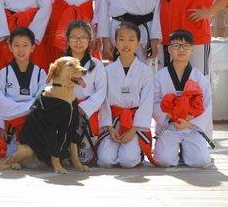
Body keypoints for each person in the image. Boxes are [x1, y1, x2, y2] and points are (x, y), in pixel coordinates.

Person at [97, 22, 154, 168]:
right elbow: (103, 101)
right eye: (121, 39)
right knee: (105, 160)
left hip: (134, 123)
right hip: (113, 121)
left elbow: (147, 103)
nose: (126, 44)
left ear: (138, 44)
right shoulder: (107, 71)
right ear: (115, 43)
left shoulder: (145, 71)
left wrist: (133, 130)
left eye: (131, 40)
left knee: (128, 161)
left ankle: (138, 152)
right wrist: (109, 127)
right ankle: (116, 148)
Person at [153, 30, 213, 168]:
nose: (181, 49)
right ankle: (175, 150)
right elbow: (153, 102)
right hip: (168, 126)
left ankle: (185, 152)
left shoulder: (199, 78)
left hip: (191, 127)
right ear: (169, 49)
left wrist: (189, 123)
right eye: (176, 46)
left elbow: (207, 105)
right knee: (164, 161)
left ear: (192, 50)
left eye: (186, 46)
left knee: (201, 161)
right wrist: (168, 116)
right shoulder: (160, 76)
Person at [0, 27, 46, 155]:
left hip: (31, 123)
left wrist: (17, 109)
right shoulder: (3, 74)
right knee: (8, 154)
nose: (21, 50)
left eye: (25, 45)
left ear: (33, 47)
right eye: (16, 45)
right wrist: (0, 128)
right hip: (9, 125)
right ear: (10, 47)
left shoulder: (40, 73)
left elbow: (41, 100)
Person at [63, 20, 107, 164]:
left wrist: (83, 107)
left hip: (88, 113)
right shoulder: (61, 63)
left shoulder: (96, 64)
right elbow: (53, 88)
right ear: (68, 40)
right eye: (74, 37)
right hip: (66, 111)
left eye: (83, 38)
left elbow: (101, 91)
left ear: (89, 41)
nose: (78, 42)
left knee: (88, 156)